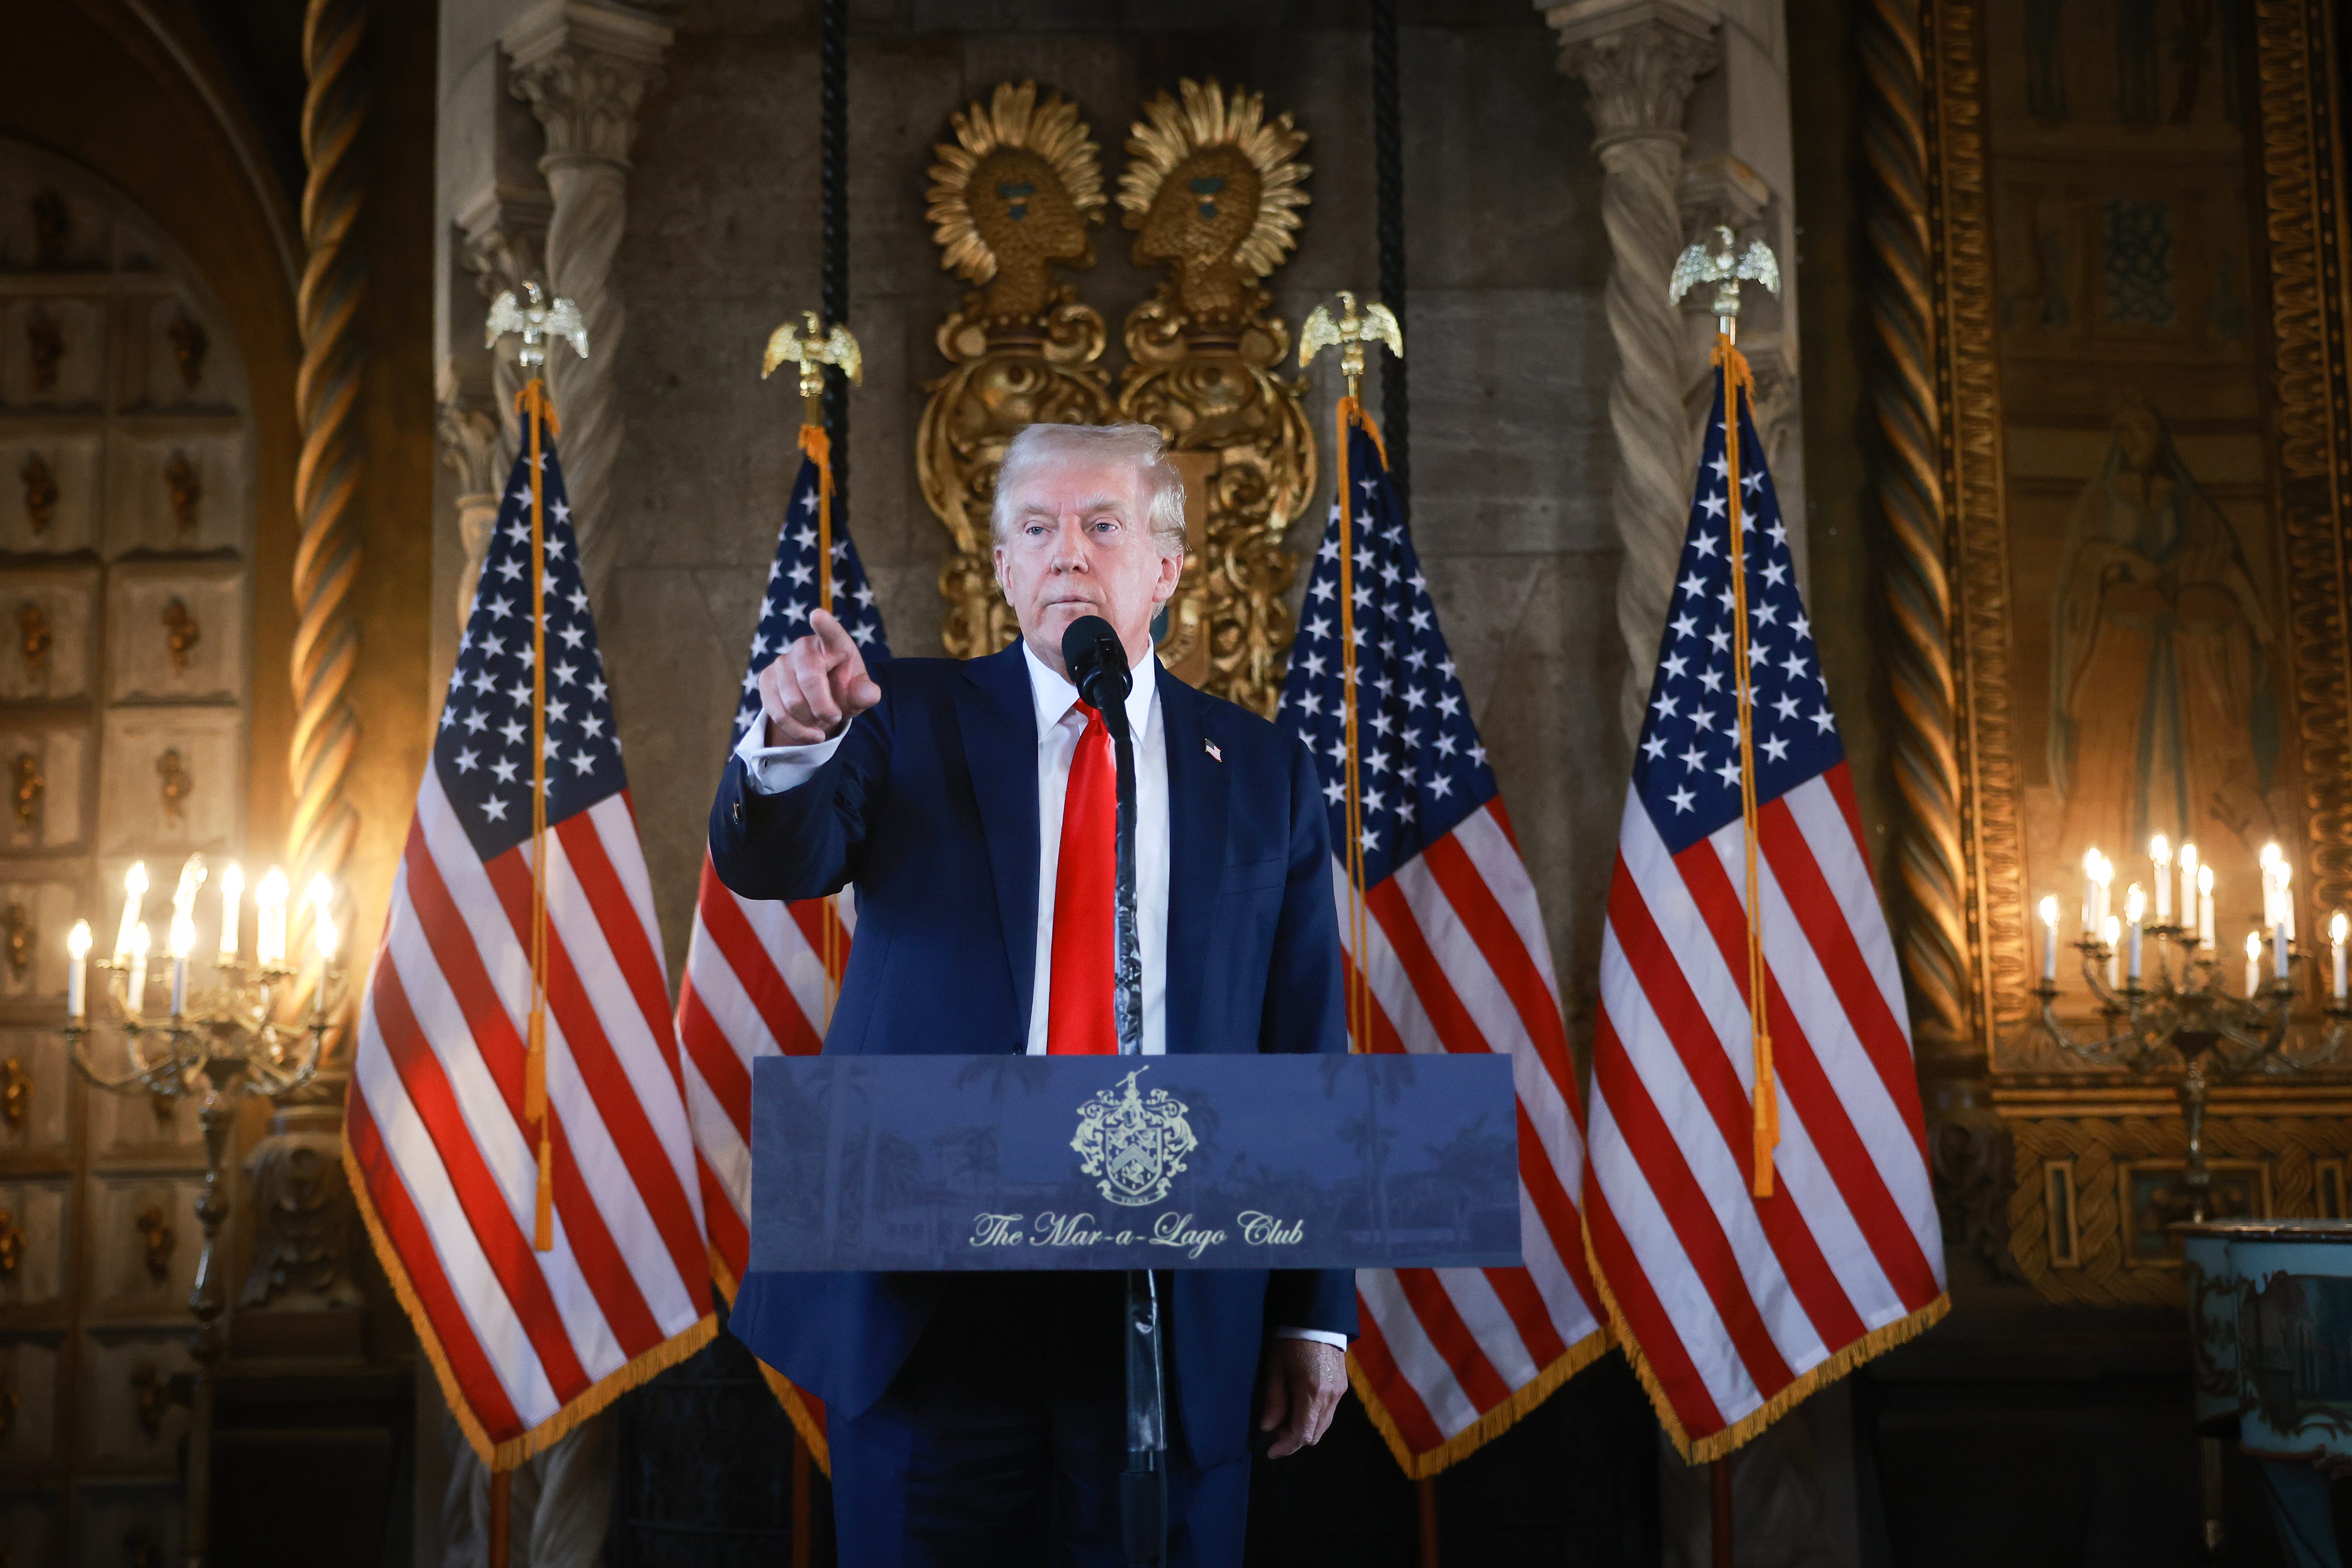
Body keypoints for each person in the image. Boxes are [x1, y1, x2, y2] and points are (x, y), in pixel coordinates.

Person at [710, 421, 1354, 1566]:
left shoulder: (1262, 771)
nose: (1067, 554)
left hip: (1168, 1294)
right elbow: (775, 862)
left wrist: (1313, 1308)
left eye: (1101, 526)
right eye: (1037, 529)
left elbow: (1301, 1044)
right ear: (1001, 565)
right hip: (933, 1300)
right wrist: (793, 742)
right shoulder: (898, 718)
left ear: (1165, 565)